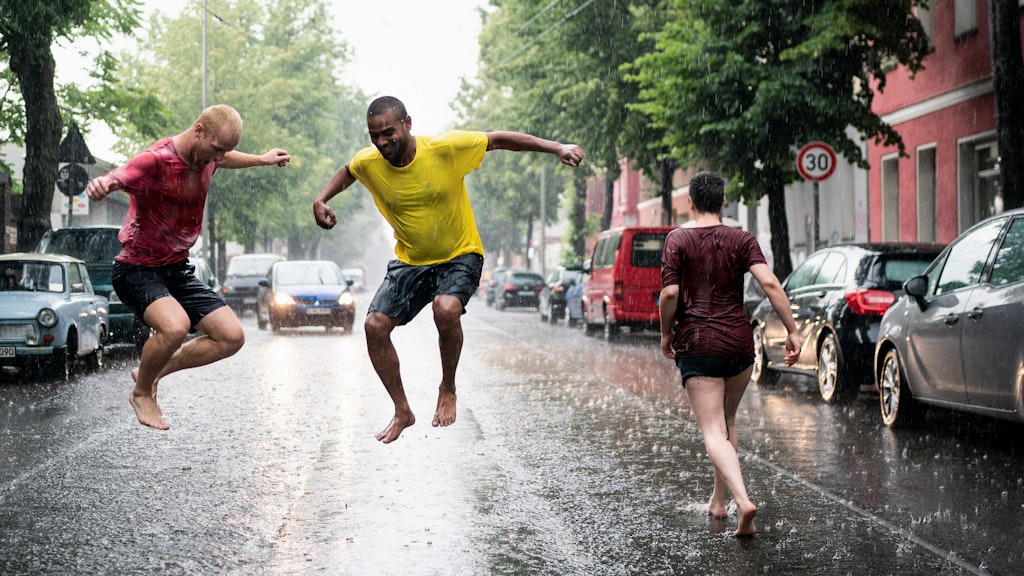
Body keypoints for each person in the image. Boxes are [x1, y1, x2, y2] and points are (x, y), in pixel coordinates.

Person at [313, 96, 585, 444]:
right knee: (374, 326)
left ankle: (448, 386)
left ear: (408, 124)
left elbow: (498, 139)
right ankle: (403, 411)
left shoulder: (446, 149)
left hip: (460, 254)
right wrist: (322, 199)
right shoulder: (370, 162)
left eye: (388, 133)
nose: (381, 143)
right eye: (374, 136)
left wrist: (556, 147)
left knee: (446, 308)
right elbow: (349, 170)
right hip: (411, 260)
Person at [85, 104, 291, 430]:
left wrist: (262, 159)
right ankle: (142, 393)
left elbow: (226, 156)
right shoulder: (155, 160)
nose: (218, 158)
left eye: (224, 151)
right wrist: (103, 185)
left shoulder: (210, 156)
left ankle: (153, 371)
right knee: (176, 327)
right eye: (216, 149)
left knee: (231, 336)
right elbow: (117, 177)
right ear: (198, 130)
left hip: (177, 269)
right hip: (137, 269)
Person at [658, 171, 800, 537]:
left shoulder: (678, 239)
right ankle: (719, 502)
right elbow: (769, 282)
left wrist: (664, 333)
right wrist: (792, 330)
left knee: (711, 430)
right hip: (739, 344)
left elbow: (670, 294)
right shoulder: (742, 239)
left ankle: (742, 500)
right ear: (723, 202)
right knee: (728, 424)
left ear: (690, 202)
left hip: (698, 343)